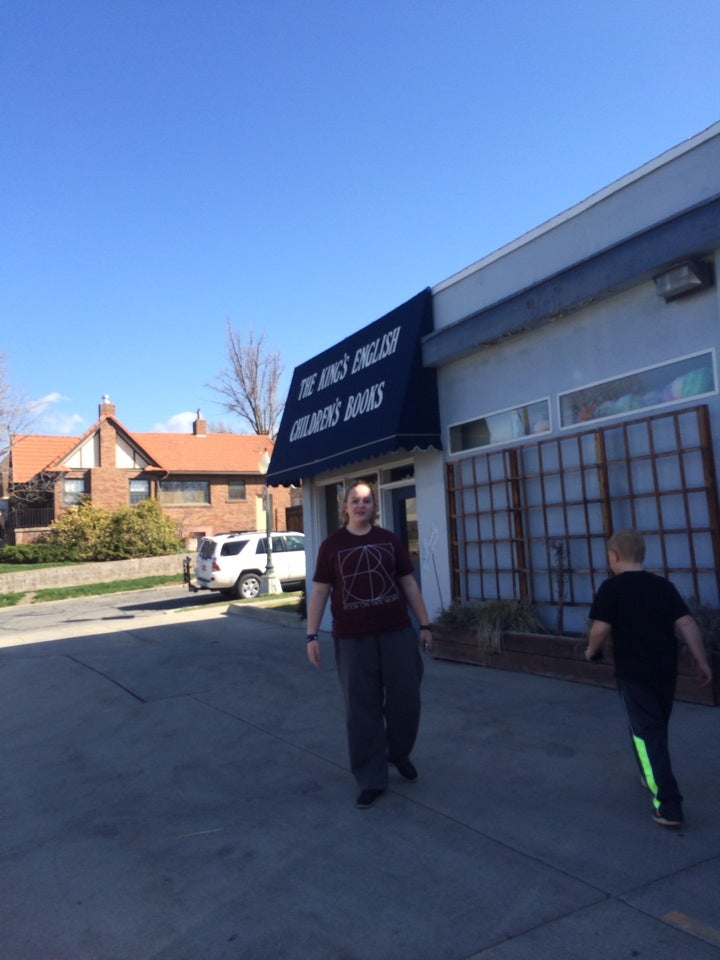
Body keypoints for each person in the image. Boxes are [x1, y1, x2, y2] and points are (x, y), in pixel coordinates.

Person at [305, 480, 433, 810]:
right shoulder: (332, 545)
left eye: (366, 500)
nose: (361, 505)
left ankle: (398, 753)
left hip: (397, 633)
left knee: (407, 701)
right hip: (352, 639)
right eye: (354, 500)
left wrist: (425, 624)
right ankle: (371, 778)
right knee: (361, 709)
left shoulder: (388, 541)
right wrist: (312, 634)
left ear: (374, 506)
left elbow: (408, 582)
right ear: (345, 506)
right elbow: (320, 591)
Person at [585, 528, 713, 828]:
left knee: (647, 733)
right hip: (665, 671)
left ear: (613, 557)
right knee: (654, 727)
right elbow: (687, 622)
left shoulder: (611, 588)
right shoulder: (662, 586)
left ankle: (668, 805)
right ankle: (649, 773)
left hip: (634, 674)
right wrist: (702, 661)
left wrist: (592, 649)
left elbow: (601, 627)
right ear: (642, 555)